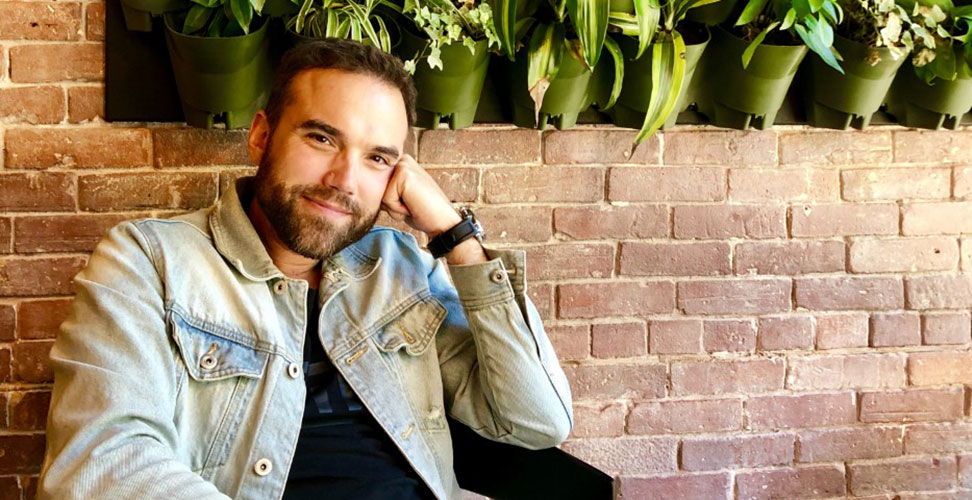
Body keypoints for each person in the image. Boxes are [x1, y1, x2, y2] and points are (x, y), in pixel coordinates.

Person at [39, 38, 573, 500]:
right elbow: (99, 466)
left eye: (377, 158)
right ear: (260, 136)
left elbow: (537, 420)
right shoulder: (149, 261)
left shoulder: (403, 270)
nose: (344, 179)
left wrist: (456, 238)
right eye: (321, 138)